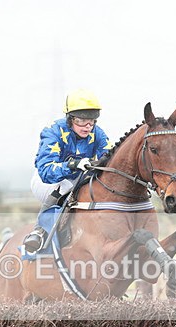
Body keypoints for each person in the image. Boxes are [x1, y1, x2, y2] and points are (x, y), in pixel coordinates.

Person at [22, 89, 112, 253]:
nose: (87, 126)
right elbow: (46, 170)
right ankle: (39, 231)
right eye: (81, 121)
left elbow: (109, 158)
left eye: (92, 121)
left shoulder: (98, 134)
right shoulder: (53, 132)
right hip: (48, 181)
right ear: (70, 119)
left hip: (79, 180)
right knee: (65, 187)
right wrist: (73, 165)